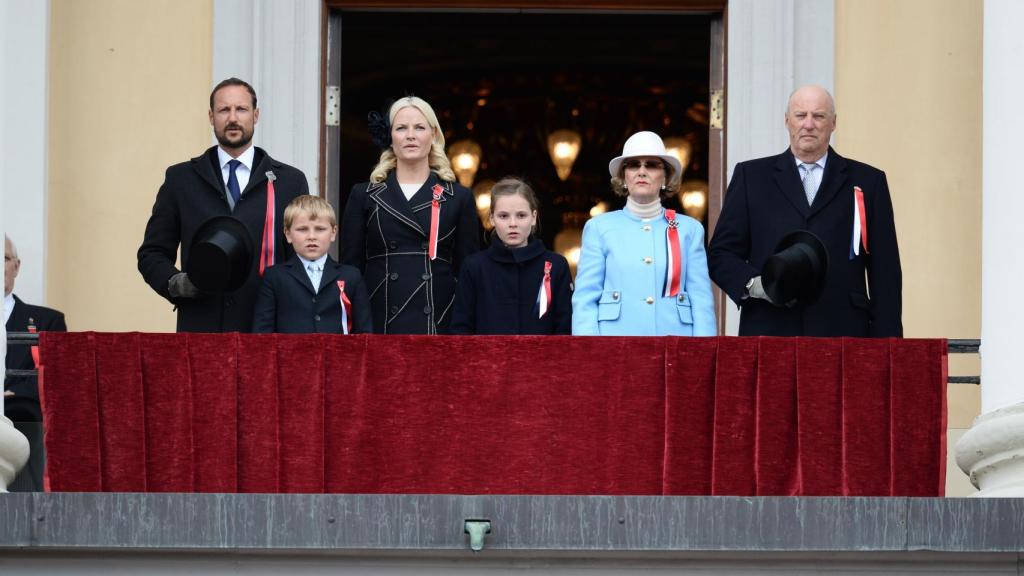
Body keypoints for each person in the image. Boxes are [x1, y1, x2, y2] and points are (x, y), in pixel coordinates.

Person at [707, 85, 902, 337]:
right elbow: (721, 254)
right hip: (769, 330)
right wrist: (757, 285)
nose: (809, 124)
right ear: (787, 121)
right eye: (800, 115)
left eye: (818, 116)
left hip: (843, 332)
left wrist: (889, 347)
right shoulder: (751, 177)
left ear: (833, 123)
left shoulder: (868, 181)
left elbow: (885, 271)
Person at [137, 77, 309, 332]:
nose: (233, 118)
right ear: (211, 117)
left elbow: (303, 258)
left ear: (256, 115)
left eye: (241, 109)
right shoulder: (181, 179)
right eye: (223, 110)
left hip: (267, 329)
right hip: (201, 327)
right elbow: (152, 253)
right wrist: (176, 283)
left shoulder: (290, 181)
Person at [341, 96, 480, 334]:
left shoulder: (459, 197)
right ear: (390, 137)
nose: (410, 135)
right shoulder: (363, 195)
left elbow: (468, 274)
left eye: (419, 127)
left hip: (439, 325)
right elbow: (351, 272)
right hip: (378, 324)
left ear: (433, 135)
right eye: (401, 128)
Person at [572, 131, 716, 336]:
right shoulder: (598, 228)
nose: (641, 171)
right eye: (633, 165)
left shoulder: (689, 230)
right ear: (623, 176)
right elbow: (585, 299)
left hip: (675, 343)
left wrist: (702, 351)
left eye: (651, 165)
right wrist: (590, 350)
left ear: (665, 176)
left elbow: (701, 301)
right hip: (615, 343)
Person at [451, 178, 572, 335]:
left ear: (534, 217)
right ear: (492, 218)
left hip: (543, 352)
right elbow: (461, 329)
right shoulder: (474, 267)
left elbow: (565, 328)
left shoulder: (556, 265)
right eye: (503, 216)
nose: (513, 223)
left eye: (521, 215)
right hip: (487, 352)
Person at [253, 195, 372, 334]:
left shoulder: (351, 276)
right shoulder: (274, 277)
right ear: (288, 234)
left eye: (320, 229)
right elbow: (262, 334)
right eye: (302, 229)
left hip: (337, 349)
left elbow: (365, 333)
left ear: (333, 233)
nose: (311, 236)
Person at [4, 234, 66, 492]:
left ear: (16, 266)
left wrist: (13, 393)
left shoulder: (47, 322)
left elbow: (56, 376)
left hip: (24, 433)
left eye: (3, 258)